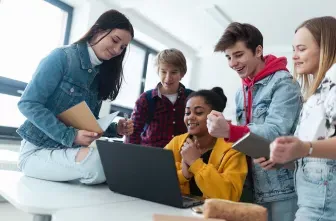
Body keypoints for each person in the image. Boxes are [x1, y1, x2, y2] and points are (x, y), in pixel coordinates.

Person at [16, 9, 134, 184]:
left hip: (66, 152)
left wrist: (115, 129)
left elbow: (86, 122)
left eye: (123, 47)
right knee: (96, 164)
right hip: (35, 151)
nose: (117, 50)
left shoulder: (99, 74)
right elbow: (28, 103)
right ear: (98, 30)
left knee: (113, 163)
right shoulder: (62, 57)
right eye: (115, 40)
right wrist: (70, 136)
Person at [207, 22, 302, 220]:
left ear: (258, 50)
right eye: (228, 57)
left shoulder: (285, 84)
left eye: (238, 55)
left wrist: (230, 131)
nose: (233, 63)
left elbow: (276, 131)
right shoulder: (241, 93)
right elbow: (246, 139)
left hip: (281, 189)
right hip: (250, 185)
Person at [264, 16, 336, 221]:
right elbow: (314, 156)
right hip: (311, 205)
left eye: (301, 49)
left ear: (326, 49)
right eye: (293, 49)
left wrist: (305, 148)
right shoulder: (316, 96)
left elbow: (310, 148)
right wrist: (286, 158)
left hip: (324, 210)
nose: (294, 57)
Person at [165, 87, 247, 201]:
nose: (190, 117)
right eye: (187, 112)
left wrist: (196, 164)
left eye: (198, 112)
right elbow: (157, 179)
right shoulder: (176, 143)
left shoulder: (233, 150)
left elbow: (229, 196)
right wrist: (183, 175)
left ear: (215, 117)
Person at [126, 49, 193, 147]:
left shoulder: (192, 98)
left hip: (183, 158)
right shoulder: (145, 99)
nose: (168, 78)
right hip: (151, 158)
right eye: (163, 72)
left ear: (182, 74)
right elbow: (133, 133)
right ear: (158, 71)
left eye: (174, 72)